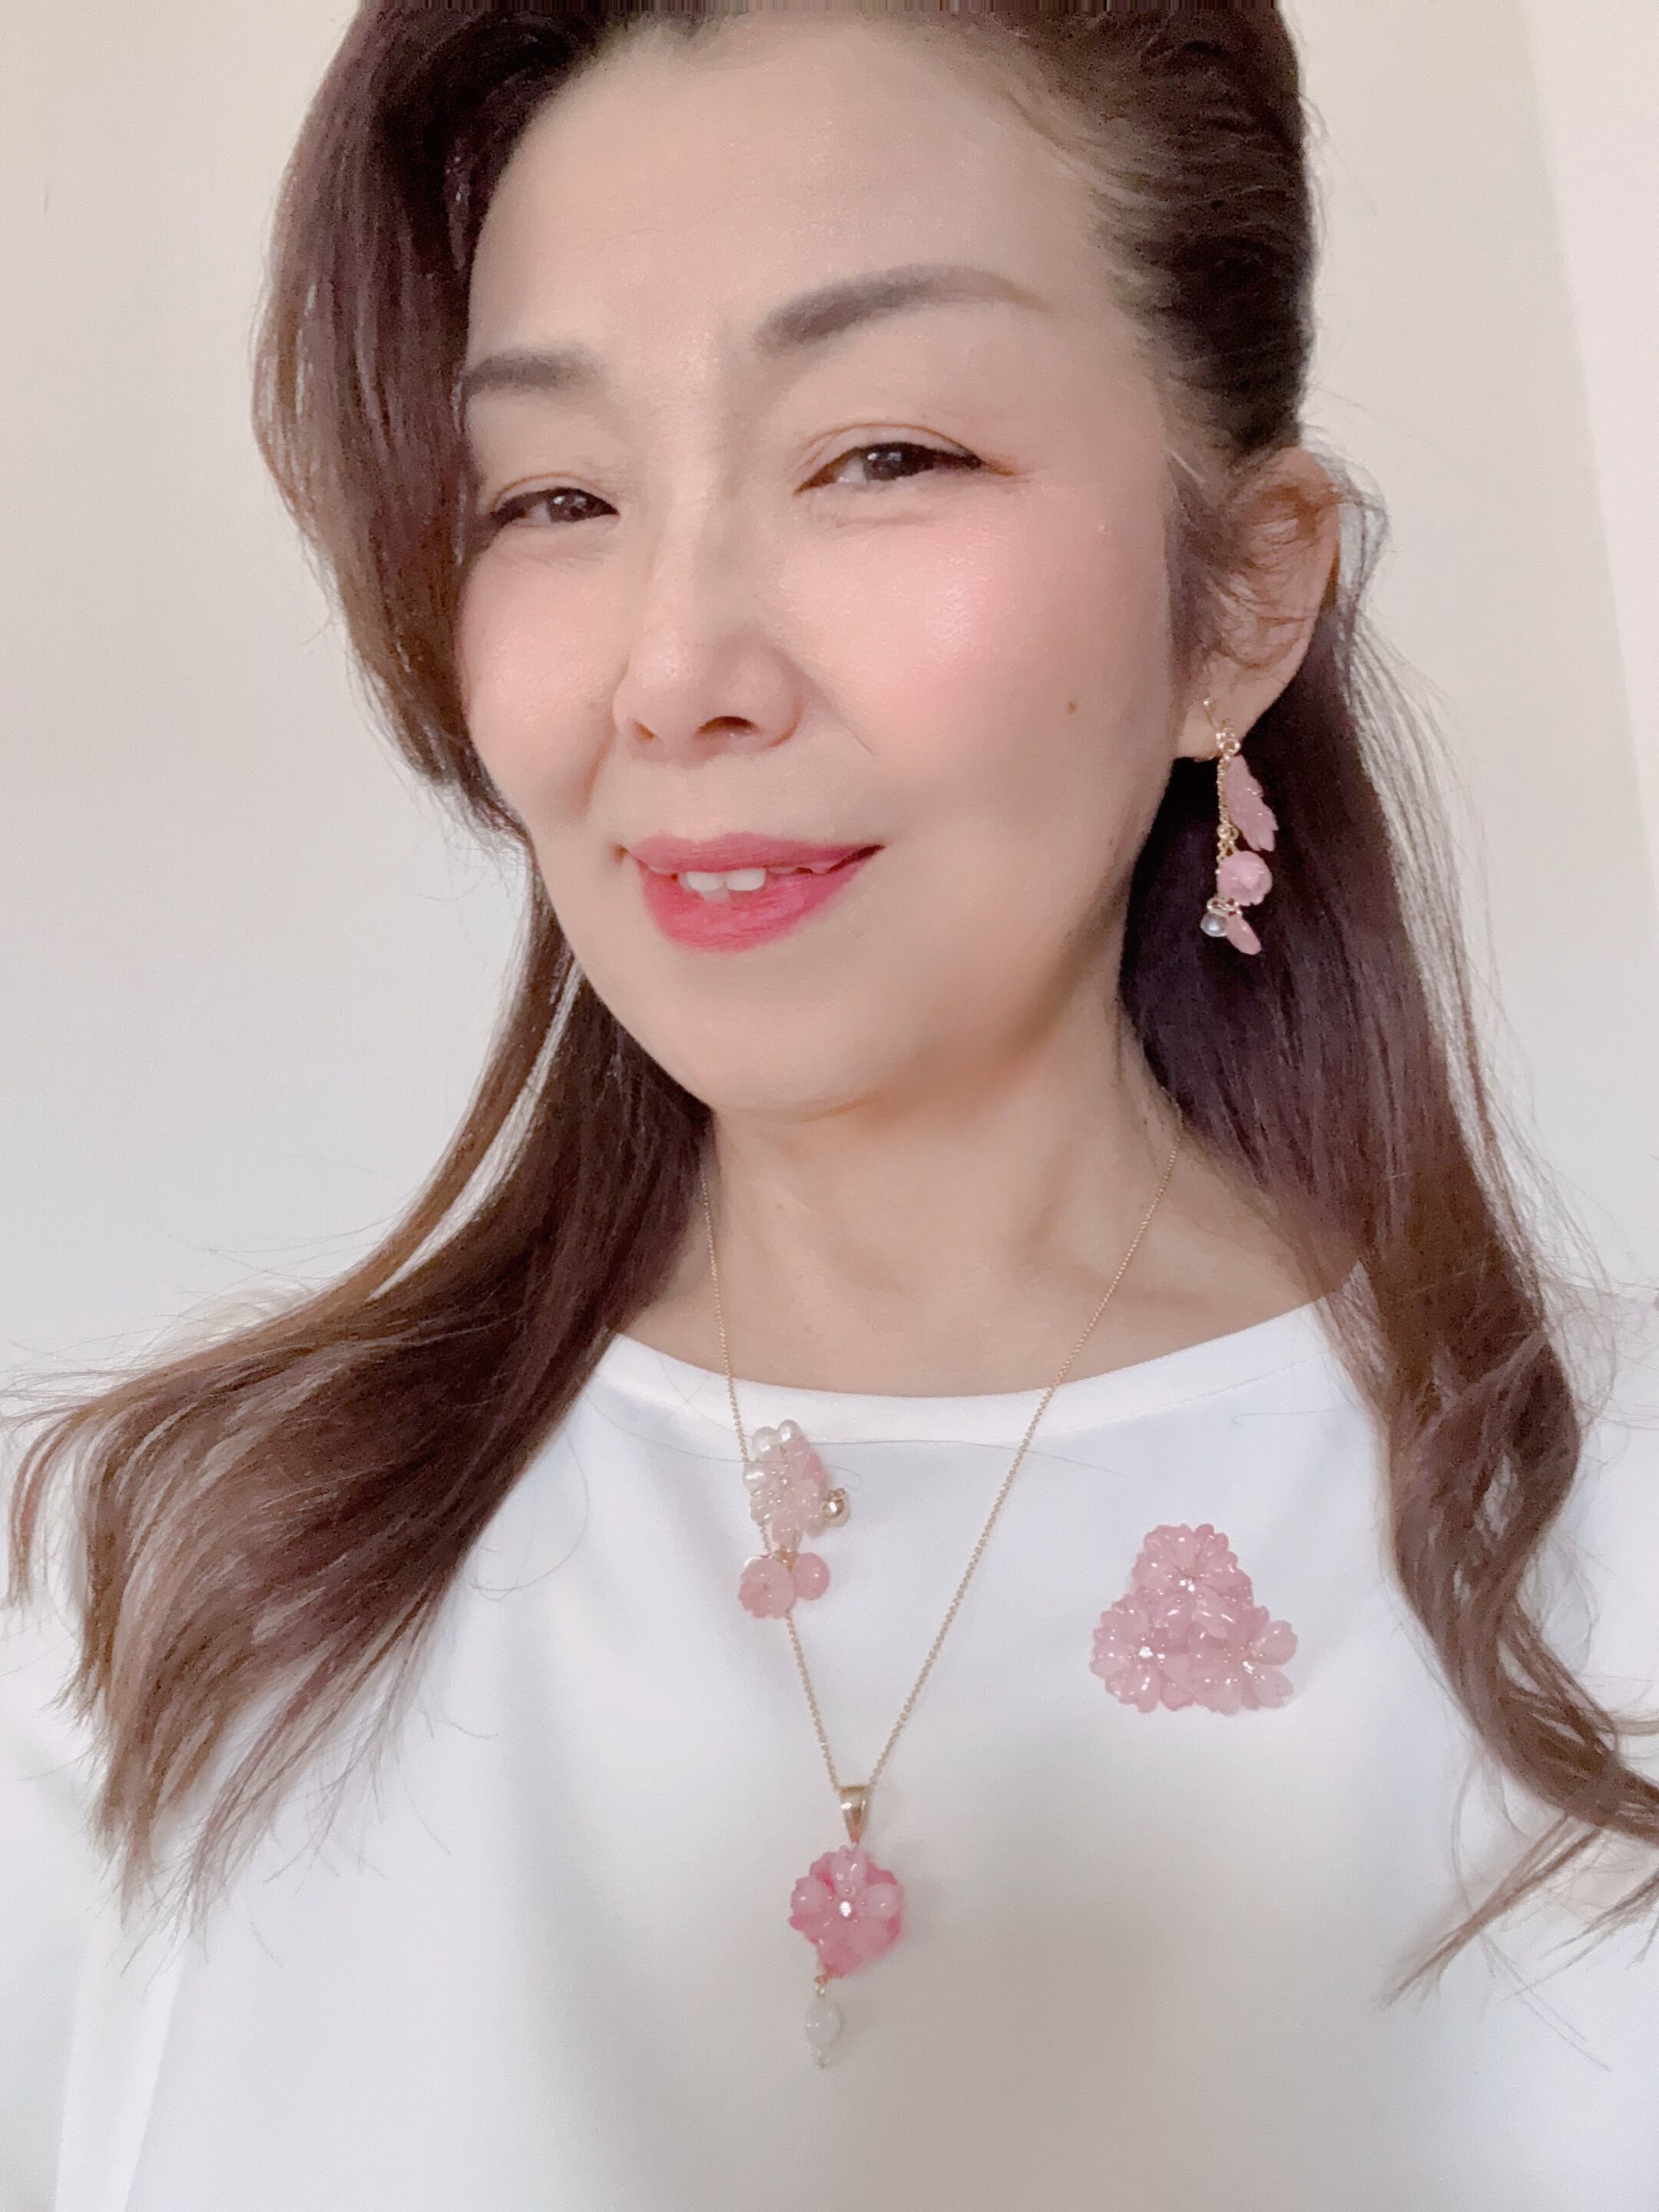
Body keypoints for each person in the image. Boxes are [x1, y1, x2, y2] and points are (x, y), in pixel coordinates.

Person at [5, 4, 1659, 2206]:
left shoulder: (1604, 1585)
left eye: (881, 455)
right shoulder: (173, 1603)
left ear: (1242, 598)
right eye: (556, 496)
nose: (676, 671)